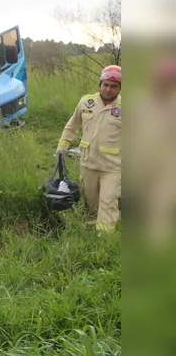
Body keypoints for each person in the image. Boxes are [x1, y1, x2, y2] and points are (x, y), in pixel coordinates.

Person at [57, 64, 122, 234]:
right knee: (90, 203)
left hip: (113, 167)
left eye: (113, 86)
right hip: (88, 164)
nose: (108, 89)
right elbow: (72, 126)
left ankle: (105, 240)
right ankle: (91, 235)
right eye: (105, 85)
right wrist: (62, 146)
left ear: (119, 88)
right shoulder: (87, 102)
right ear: (100, 84)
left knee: (108, 202)